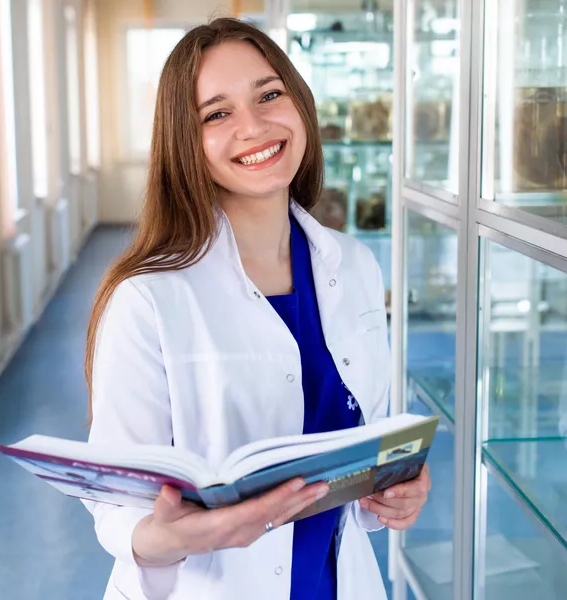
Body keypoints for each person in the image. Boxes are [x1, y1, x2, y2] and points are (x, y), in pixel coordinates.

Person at [82, 17, 431, 600]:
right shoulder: (147, 298)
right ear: (185, 144)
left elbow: (361, 451)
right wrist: (169, 535)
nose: (255, 126)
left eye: (270, 95)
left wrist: (392, 493)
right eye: (216, 114)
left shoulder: (356, 267)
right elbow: (118, 508)